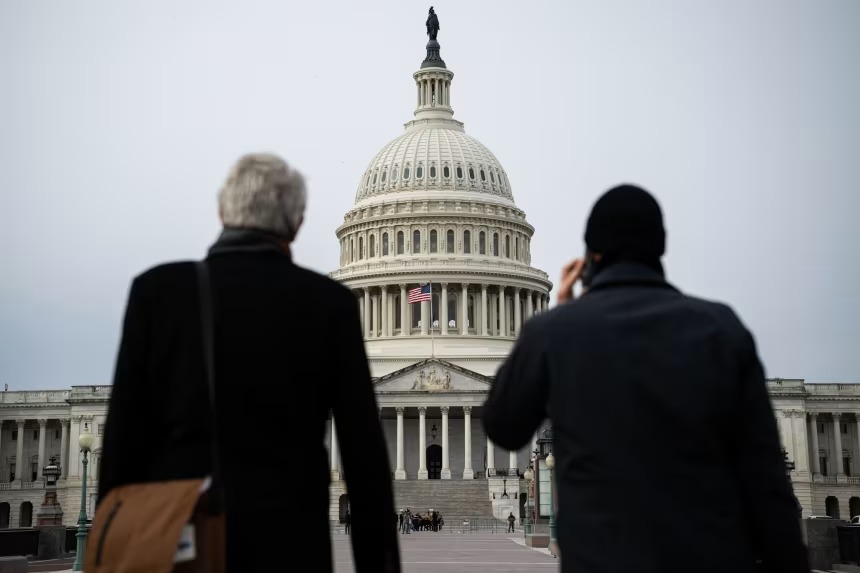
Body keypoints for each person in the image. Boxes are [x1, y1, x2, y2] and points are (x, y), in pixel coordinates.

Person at [98, 153, 400, 573]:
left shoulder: (157, 294)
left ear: (223, 212)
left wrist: (111, 546)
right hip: (290, 543)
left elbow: (121, 445)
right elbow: (365, 461)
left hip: (181, 539)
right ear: (296, 223)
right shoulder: (328, 305)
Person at [483, 185, 809, 573]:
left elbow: (503, 425)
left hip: (602, 557)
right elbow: (766, 481)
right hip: (708, 555)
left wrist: (552, 324)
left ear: (591, 257)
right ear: (661, 246)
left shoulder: (557, 334)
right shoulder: (721, 330)